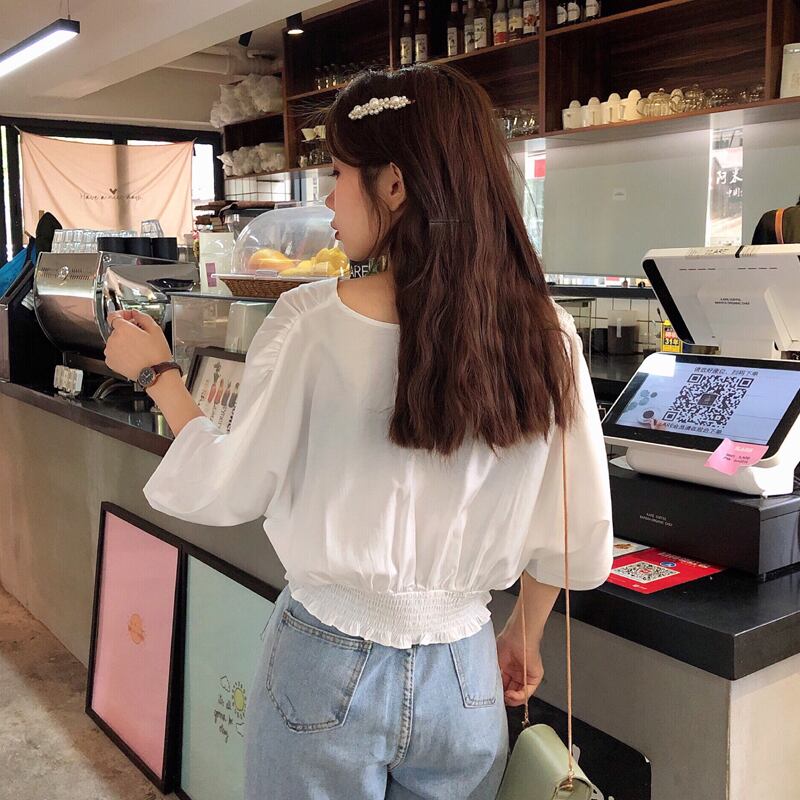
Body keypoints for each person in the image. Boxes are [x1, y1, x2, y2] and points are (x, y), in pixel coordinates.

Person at [104, 64, 612, 800]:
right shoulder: (548, 335)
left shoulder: (313, 321)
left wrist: (160, 376)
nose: (329, 199)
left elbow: (228, 485)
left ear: (395, 184)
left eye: (338, 174)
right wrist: (523, 633)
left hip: (326, 661)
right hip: (465, 675)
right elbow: (573, 522)